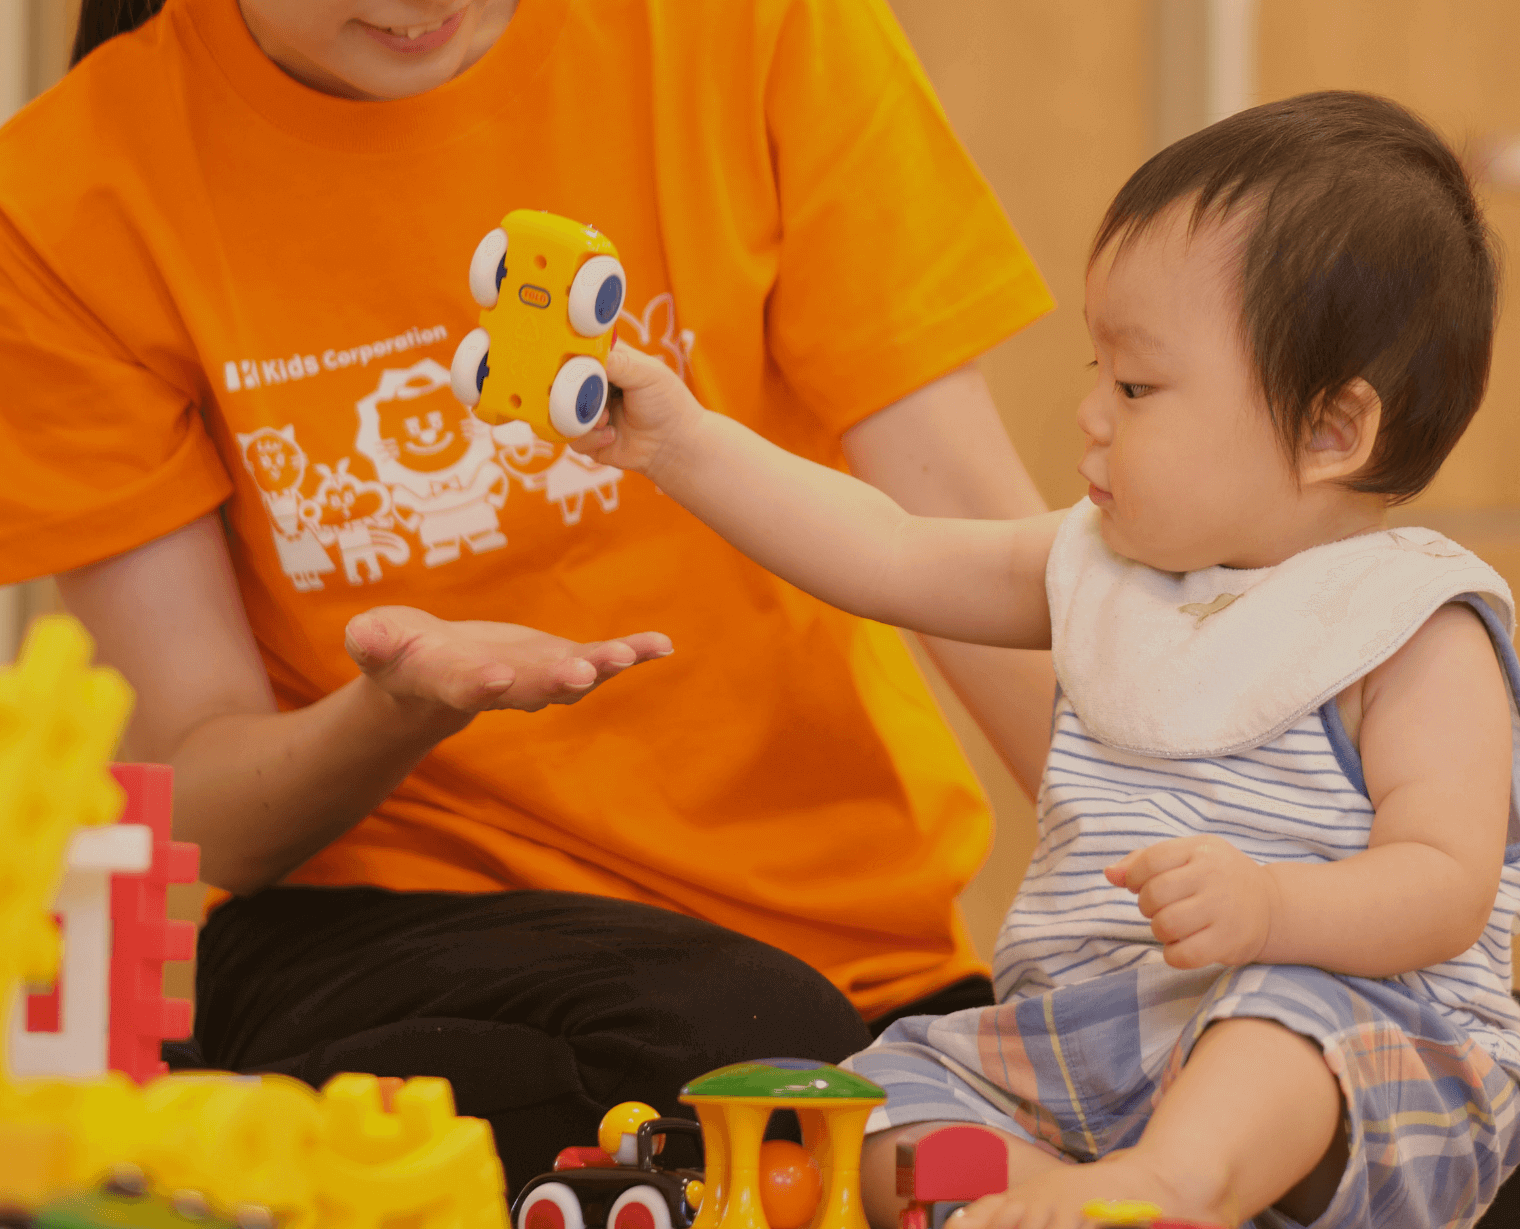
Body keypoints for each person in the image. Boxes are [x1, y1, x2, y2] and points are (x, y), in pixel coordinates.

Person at [0, 0, 1059, 1184]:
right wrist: (396, 708)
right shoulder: (71, 198)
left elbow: (973, 542)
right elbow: (188, 814)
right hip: (360, 946)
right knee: (576, 1081)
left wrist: (1179, 918)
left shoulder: (757, 4)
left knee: (803, 1088)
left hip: (825, 975)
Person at [585, 90, 1520, 1229]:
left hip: (1351, 1064)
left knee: (1279, 1019)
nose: (1086, 414)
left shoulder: (1411, 623)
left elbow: (1444, 887)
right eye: (1097, 369)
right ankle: (1047, 1205)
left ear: (1330, 429)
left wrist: (1271, 907)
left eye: (1133, 386)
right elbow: (885, 549)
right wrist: (683, 444)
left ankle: (1166, 1189)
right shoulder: (1096, 566)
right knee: (876, 1107)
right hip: (1081, 1051)